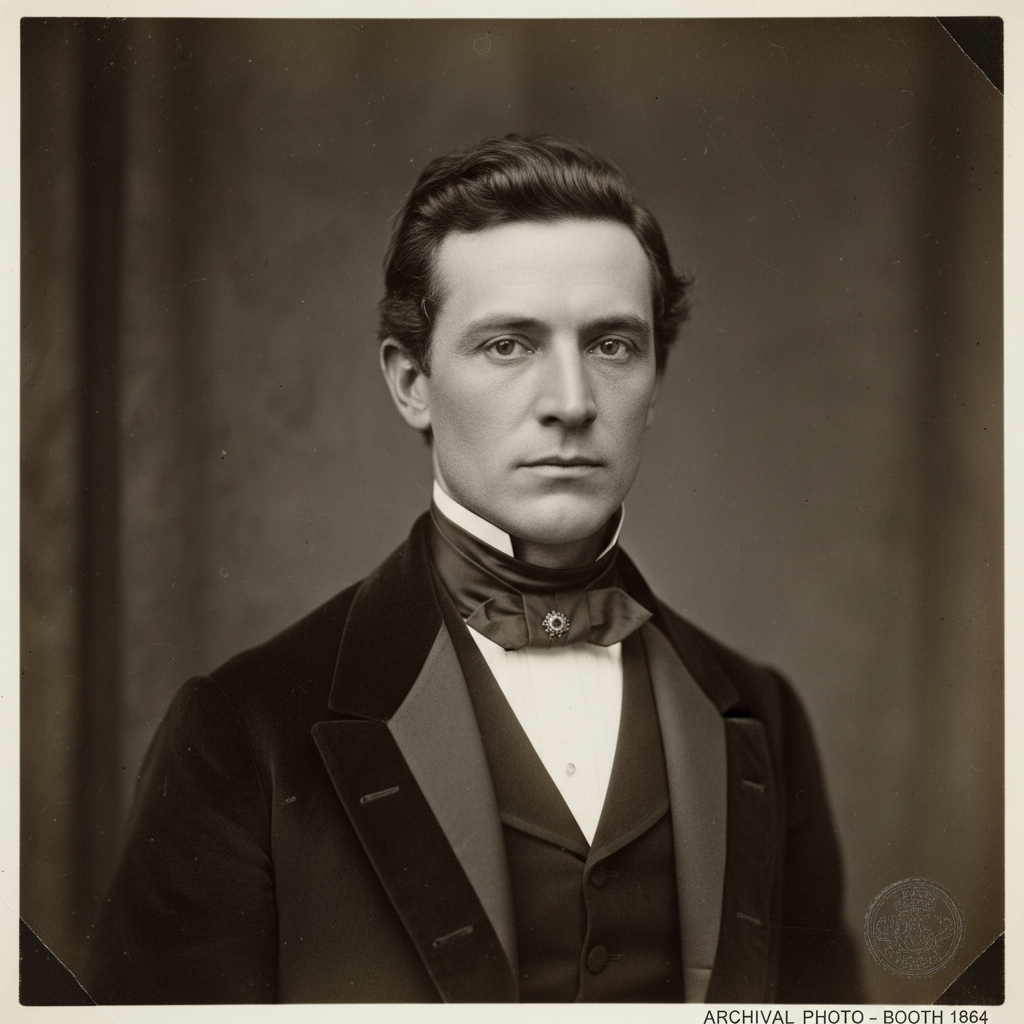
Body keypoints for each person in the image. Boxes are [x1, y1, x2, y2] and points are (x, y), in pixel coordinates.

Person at [84, 134, 860, 1004]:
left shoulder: (760, 718)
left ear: (655, 379)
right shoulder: (243, 731)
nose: (570, 402)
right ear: (411, 381)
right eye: (508, 346)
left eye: (611, 345)